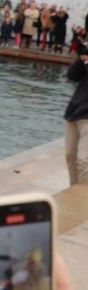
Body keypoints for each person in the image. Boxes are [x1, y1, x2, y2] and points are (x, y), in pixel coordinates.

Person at [65, 39, 88, 186]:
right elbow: (72, 75)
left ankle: (83, 198)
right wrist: (81, 59)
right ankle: (73, 190)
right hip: (75, 111)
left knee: (84, 161)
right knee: (70, 156)